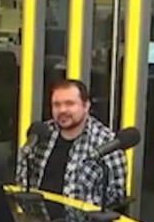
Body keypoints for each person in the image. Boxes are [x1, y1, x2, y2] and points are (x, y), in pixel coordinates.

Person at [16, 79, 127, 209]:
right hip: (37, 217)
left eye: (69, 104)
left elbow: (115, 196)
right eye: (56, 105)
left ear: (86, 106)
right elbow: (22, 179)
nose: (62, 110)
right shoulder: (41, 134)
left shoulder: (107, 142)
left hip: (84, 219)